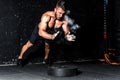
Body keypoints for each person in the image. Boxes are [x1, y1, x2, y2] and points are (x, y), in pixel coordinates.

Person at [17, 0, 76, 66]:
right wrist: (52, 37)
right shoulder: (47, 16)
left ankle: (46, 59)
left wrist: (67, 36)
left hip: (50, 31)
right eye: (59, 13)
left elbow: (66, 31)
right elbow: (40, 32)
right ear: (55, 10)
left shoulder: (64, 20)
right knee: (29, 44)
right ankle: (20, 58)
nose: (61, 15)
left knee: (47, 45)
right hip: (40, 30)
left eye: (63, 13)